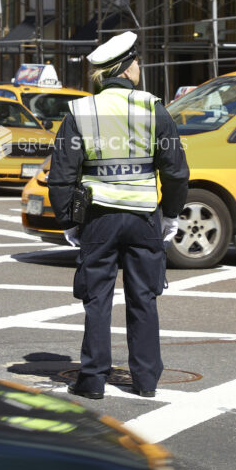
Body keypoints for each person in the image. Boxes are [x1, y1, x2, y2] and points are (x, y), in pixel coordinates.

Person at [49, 31, 189, 400]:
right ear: (126, 69)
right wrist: (170, 214)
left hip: (99, 218)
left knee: (97, 299)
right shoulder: (153, 108)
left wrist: (68, 220)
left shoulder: (81, 111)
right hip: (143, 217)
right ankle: (146, 381)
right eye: (137, 62)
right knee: (144, 297)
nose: (139, 67)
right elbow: (175, 170)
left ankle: (93, 379)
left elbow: (61, 174)